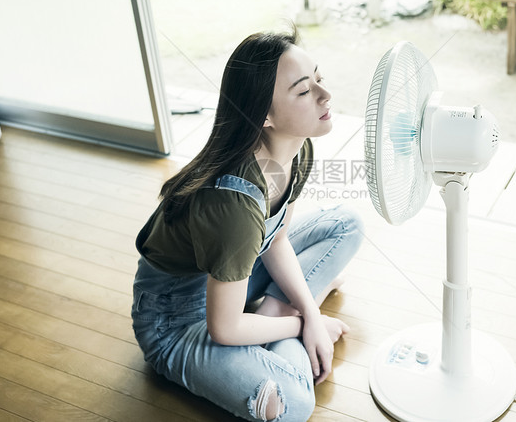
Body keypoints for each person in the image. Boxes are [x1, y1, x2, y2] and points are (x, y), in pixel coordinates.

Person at [132, 26, 363, 422]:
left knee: (346, 224)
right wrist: (305, 326)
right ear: (265, 116)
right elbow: (224, 329)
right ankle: (273, 315)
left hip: (230, 278)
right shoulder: (232, 203)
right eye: (305, 91)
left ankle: (271, 308)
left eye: (319, 80)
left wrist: (306, 311)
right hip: (176, 321)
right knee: (293, 403)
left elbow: (275, 240)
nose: (325, 96)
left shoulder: (296, 148)